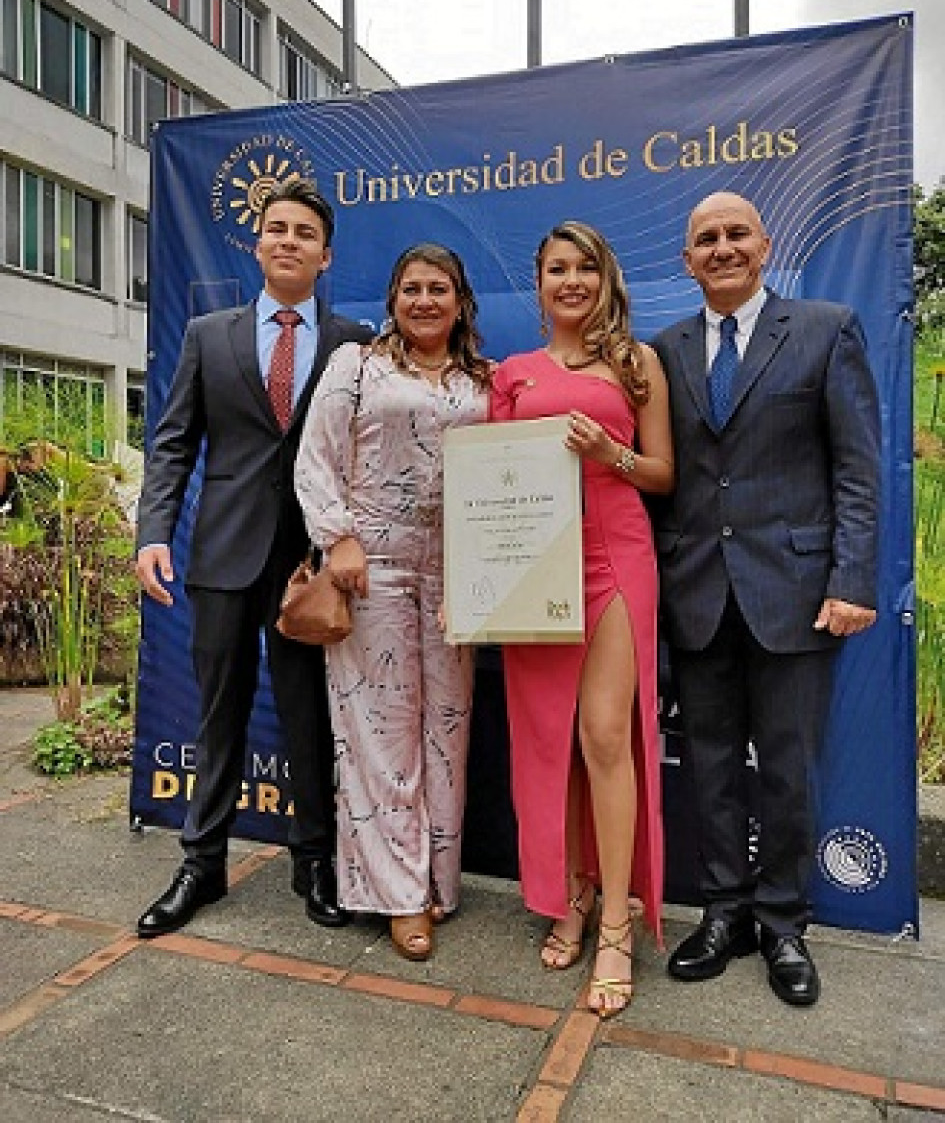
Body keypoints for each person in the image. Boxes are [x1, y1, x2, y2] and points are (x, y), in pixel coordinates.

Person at [653, 190, 880, 1007]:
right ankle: (722, 911)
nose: (720, 247)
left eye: (734, 234)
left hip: (795, 595)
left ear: (763, 244)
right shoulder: (664, 349)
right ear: (686, 260)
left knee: (786, 769)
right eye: (704, 238)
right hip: (698, 598)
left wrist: (852, 579)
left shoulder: (824, 329)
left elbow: (856, 467)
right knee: (710, 766)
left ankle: (783, 922)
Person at [134, 176, 371, 938]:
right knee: (220, 715)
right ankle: (201, 865)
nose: (288, 240)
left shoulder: (353, 343)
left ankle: (314, 863)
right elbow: (172, 444)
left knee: (307, 720)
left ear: (325, 255)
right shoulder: (209, 335)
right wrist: (152, 534)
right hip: (224, 557)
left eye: (304, 232)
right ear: (257, 241)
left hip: (310, 566)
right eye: (277, 228)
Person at [490, 221, 674, 1017]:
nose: (570, 281)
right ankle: (568, 893)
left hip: (615, 555)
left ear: (606, 279)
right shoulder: (512, 373)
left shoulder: (637, 364)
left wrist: (610, 455)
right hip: (534, 565)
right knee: (550, 741)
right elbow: (489, 483)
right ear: (538, 285)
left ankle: (613, 929)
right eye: (556, 269)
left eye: (584, 268)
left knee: (604, 735)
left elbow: (662, 474)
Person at [294, 243, 491, 961]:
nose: (424, 300)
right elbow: (315, 456)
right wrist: (336, 537)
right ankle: (396, 897)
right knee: (379, 740)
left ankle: (437, 883)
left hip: (455, 577)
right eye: (410, 288)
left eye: (439, 288)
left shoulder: (485, 382)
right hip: (366, 569)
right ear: (392, 299)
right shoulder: (357, 366)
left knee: (446, 731)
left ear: (461, 301)